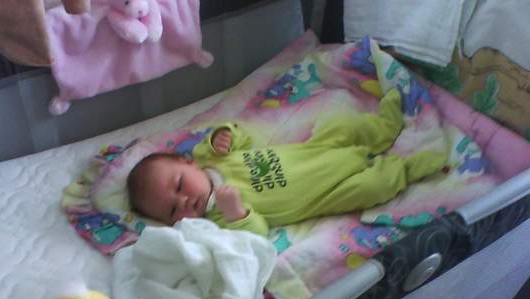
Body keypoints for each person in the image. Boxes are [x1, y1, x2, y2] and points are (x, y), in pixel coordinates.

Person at [127, 89, 448, 236]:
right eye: (173, 210)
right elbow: (256, 233)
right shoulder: (216, 221)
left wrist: (223, 136)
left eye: (179, 185)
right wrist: (237, 214)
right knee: (371, 188)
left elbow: (243, 137)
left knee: (340, 127)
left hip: (313, 151)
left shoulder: (210, 156)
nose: (185, 201)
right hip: (326, 192)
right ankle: (405, 169)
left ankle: (385, 128)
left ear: (188, 163)